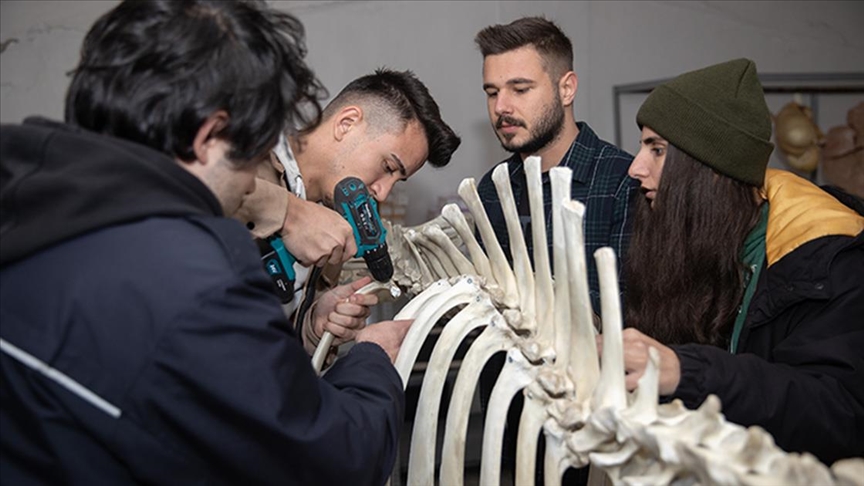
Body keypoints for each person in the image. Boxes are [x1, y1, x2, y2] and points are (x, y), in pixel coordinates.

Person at [0, 1, 412, 484]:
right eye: (256, 151)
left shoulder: (26, 202)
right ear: (209, 135)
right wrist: (372, 361)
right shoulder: (194, 285)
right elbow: (331, 461)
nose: (253, 183)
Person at [620, 58, 864, 464]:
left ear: (713, 168)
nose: (635, 168)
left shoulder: (829, 262)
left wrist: (688, 372)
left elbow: (839, 413)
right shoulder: (702, 238)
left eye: (657, 150)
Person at [473, 16, 637, 485]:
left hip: (595, 426)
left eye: (520, 89)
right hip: (510, 419)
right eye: (491, 92)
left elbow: (635, 309)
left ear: (567, 88)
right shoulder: (491, 190)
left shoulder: (623, 181)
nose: (501, 107)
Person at [232, 68, 461, 356]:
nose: (382, 193)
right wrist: (290, 214)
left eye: (397, 181)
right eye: (388, 167)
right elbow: (184, 187)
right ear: (346, 123)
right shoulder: (238, 151)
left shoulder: (334, 225)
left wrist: (313, 328)